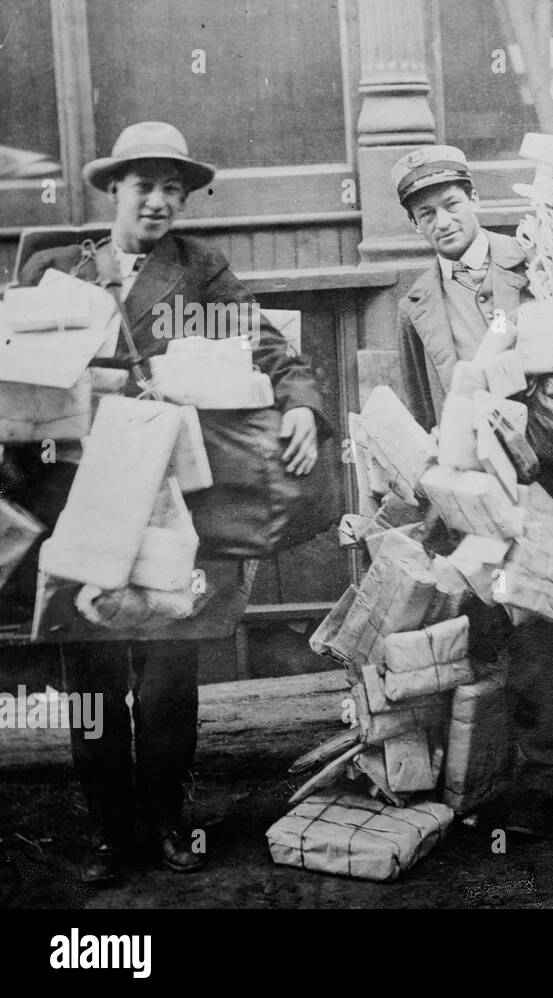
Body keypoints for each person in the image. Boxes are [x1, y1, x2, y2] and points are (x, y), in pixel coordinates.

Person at [15, 121, 326, 882]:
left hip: (171, 499)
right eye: (144, 187)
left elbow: (268, 349)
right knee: (91, 675)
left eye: (172, 192)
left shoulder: (200, 271)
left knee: (167, 676)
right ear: (114, 191)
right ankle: (110, 833)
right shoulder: (57, 269)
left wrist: (302, 406)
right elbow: (13, 366)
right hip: (80, 493)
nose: (157, 203)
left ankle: (167, 818)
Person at [393, 146, 553, 840]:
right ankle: (540, 782)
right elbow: (428, 408)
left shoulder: (537, 254)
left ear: (472, 199)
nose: (441, 221)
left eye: (450, 204)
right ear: (416, 226)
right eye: (425, 214)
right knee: (528, 643)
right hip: (504, 500)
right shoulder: (416, 304)